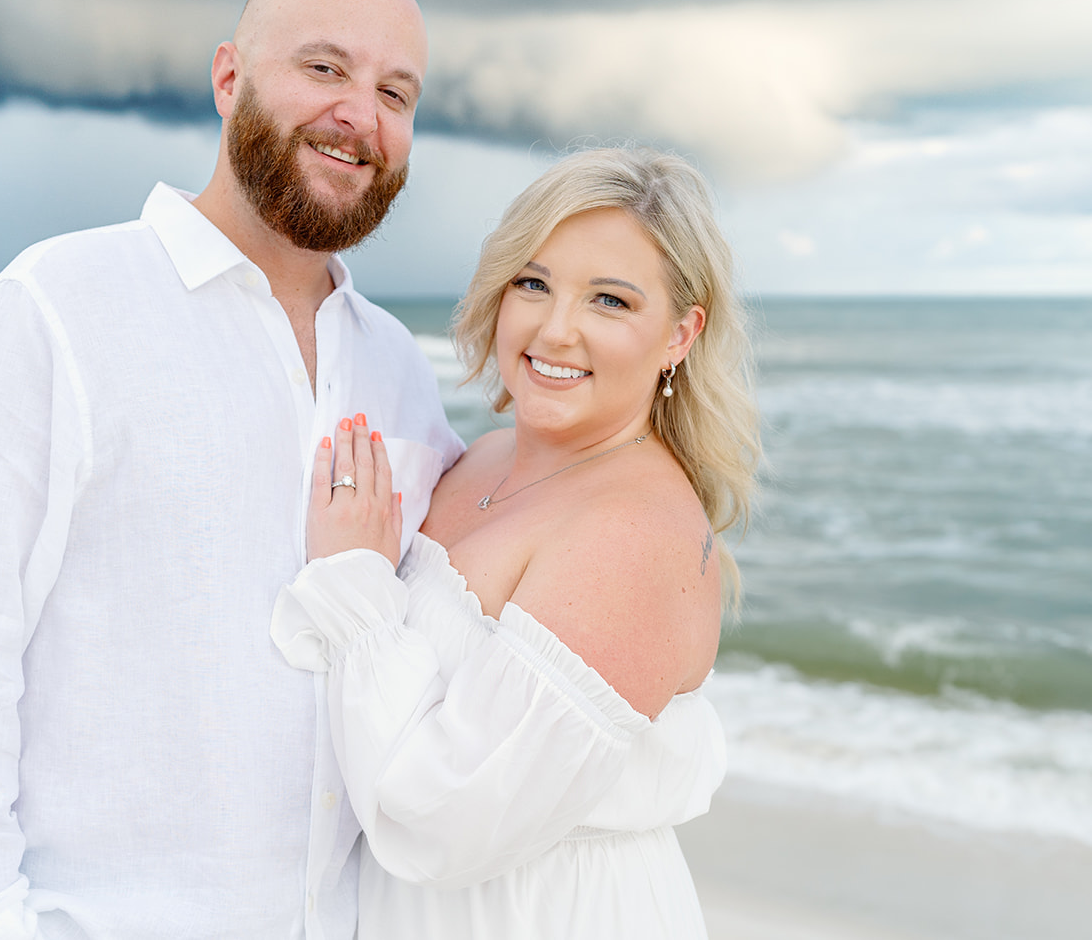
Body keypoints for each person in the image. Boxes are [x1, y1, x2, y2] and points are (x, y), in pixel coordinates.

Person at [0, 0, 463, 940]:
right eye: (323, 69)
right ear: (229, 78)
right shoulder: (51, 313)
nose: (360, 114)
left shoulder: (395, 363)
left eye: (395, 92)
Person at [272, 146, 760, 938]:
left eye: (610, 301)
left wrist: (351, 579)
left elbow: (436, 817)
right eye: (533, 283)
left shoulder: (633, 531)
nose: (555, 329)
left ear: (680, 333)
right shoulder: (487, 456)